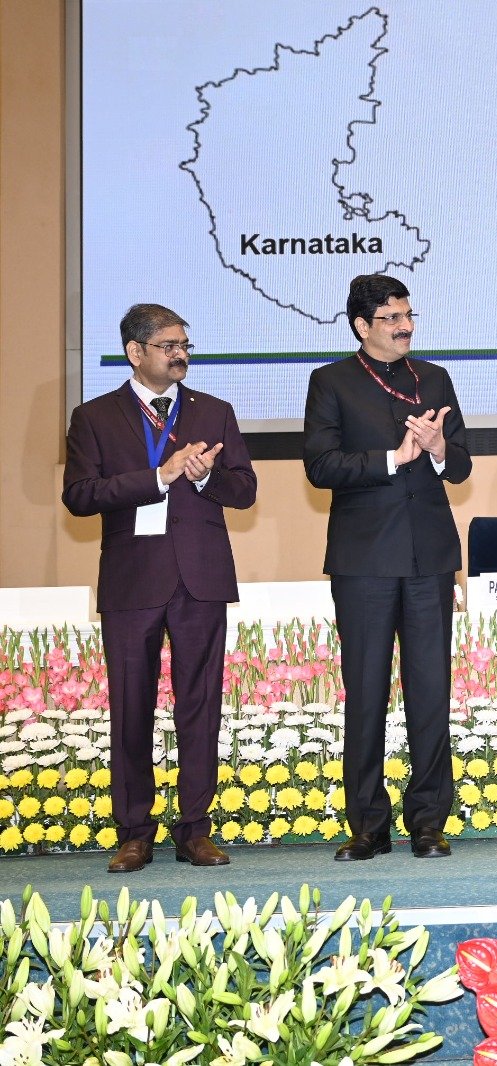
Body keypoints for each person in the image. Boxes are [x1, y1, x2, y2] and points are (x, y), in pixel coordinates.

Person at [63, 303, 257, 872]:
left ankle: (195, 829)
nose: (180, 355)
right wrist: (158, 476)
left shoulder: (213, 412)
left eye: (184, 345)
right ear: (135, 352)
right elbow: (80, 496)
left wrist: (208, 474)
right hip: (133, 579)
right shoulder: (94, 417)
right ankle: (133, 832)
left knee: (200, 705)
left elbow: (244, 490)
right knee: (131, 707)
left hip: (200, 577)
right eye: (169, 345)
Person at [304, 274, 471, 861]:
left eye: (408, 315)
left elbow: (461, 465)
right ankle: (368, 825)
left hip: (429, 556)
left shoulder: (435, 378)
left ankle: (428, 821)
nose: (404, 327)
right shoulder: (331, 382)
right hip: (365, 559)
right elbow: (320, 466)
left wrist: (439, 448)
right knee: (366, 691)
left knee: (431, 690)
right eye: (391, 318)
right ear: (361, 325)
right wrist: (393, 459)